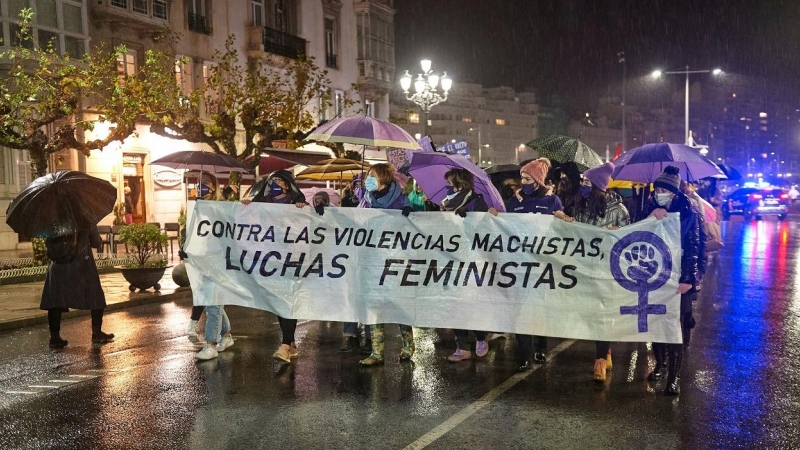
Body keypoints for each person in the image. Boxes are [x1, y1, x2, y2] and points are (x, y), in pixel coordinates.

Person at [555, 162, 630, 382]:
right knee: (588, 313)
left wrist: (619, 233)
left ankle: (599, 359)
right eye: (583, 182)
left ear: (598, 186)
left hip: (606, 271)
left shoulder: (619, 211)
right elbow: (575, 233)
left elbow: (628, 241)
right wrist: (566, 221)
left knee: (601, 315)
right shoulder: (580, 205)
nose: (583, 186)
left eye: (588, 182)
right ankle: (605, 350)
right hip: (584, 268)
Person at [498, 158, 562, 371]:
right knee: (520, 309)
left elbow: (561, 233)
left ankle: (540, 347)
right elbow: (505, 226)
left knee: (540, 308)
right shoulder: (515, 201)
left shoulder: (553, 202)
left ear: (537, 180)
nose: (522, 182)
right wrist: (494, 217)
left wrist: (565, 220)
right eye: (522, 178)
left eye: (526, 178)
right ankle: (524, 354)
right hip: (519, 264)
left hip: (543, 265)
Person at [645, 166, 702, 396]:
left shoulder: (689, 214)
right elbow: (636, 234)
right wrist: (650, 218)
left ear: (675, 193)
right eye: (657, 189)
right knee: (657, 324)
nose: (659, 193)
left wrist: (688, 278)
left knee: (674, 327)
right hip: (656, 277)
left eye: (664, 190)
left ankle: (674, 377)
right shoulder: (649, 207)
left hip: (680, 280)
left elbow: (694, 248)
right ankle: (660, 365)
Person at [242, 169, 309, 363]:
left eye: (278, 180)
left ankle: (285, 345)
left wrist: (302, 208)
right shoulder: (262, 203)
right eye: (271, 180)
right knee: (280, 303)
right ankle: (291, 344)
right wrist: (247, 206)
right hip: (270, 259)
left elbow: (309, 223)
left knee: (288, 300)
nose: (274, 184)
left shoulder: (297, 203)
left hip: (292, 258)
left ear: (288, 185)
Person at [356, 163, 414, 366]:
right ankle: (377, 352)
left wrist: (410, 212)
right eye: (367, 176)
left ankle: (408, 345)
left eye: (371, 175)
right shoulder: (366, 199)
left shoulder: (399, 199)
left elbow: (412, 228)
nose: (367, 179)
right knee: (375, 305)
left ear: (382, 178)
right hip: (371, 259)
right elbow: (356, 224)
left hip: (393, 260)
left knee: (398, 304)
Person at [437, 168, 492, 363]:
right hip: (449, 258)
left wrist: (469, 215)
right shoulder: (444, 205)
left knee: (471, 300)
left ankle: (479, 337)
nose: (447, 187)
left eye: (450, 183)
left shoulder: (476, 201)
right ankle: (462, 346)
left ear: (460, 184)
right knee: (454, 303)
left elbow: (486, 228)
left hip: (472, 259)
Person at [41, 219, 114, 348]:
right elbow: (96, 243)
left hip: (57, 267)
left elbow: (48, 242)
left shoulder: (51, 218)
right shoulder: (84, 218)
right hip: (82, 265)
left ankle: (55, 337)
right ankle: (96, 333)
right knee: (95, 296)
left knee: (55, 300)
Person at [191, 173, 237, 361]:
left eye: (207, 184)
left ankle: (210, 344)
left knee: (213, 302)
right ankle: (226, 336)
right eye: (200, 184)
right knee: (213, 301)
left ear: (214, 186)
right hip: (202, 260)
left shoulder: (222, 205)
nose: (203, 187)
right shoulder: (196, 206)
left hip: (220, 260)